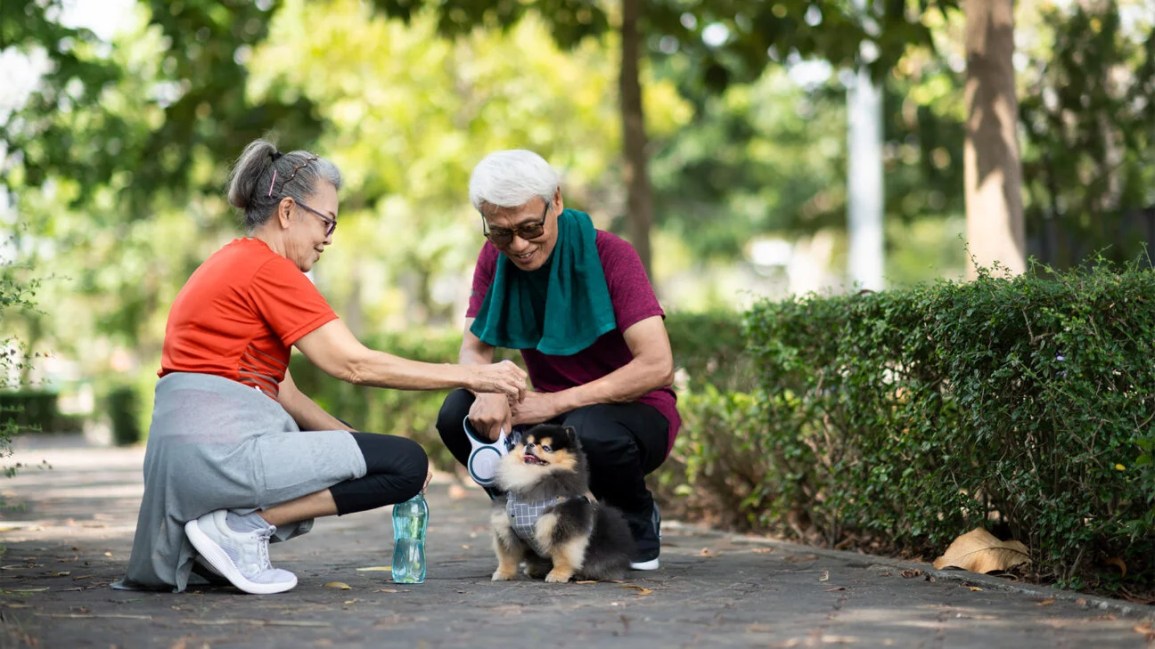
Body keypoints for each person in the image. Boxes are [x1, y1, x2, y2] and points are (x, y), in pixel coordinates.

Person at [113, 139, 527, 595]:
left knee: (384, 458)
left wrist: (362, 451)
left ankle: (220, 541)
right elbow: (351, 363)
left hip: (186, 459)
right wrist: (474, 374)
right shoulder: (269, 270)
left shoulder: (231, 263)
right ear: (288, 212)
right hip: (220, 454)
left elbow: (285, 394)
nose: (329, 237)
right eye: (326, 221)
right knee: (407, 462)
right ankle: (243, 527)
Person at [434, 149, 680, 570]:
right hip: (550, 412)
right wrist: (486, 388)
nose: (519, 245)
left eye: (530, 227)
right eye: (500, 233)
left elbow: (657, 365)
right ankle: (529, 522)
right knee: (458, 412)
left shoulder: (611, 254)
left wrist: (554, 402)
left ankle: (636, 520)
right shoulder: (495, 258)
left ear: (557, 202)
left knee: (585, 431)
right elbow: (474, 350)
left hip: (632, 414)